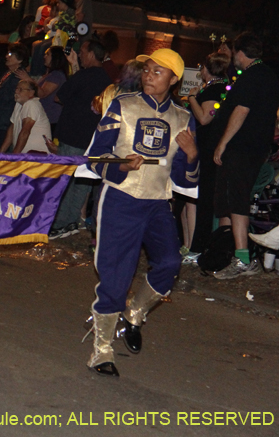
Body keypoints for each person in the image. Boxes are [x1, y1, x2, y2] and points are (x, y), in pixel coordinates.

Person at [83, 48, 198, 377]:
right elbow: (95, 156)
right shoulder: (122, 105)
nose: (149, 75)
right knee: (116, 277)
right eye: (147, 69)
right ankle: (102, 350)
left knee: (170, 263)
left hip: (158, 203)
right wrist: (120, 164)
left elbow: (184, 180)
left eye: (158, 72)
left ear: (173, 80)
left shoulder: (183, 118)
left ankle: (134, 313)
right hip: (121, 200)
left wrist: (192, 156)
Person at [212, 32, 279, 279]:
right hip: (254, 147)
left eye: (233, 54)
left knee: (237, 199)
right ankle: (224, 252)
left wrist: (222, 143)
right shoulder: (267, 75)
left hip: (242, 148)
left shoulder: (252, 76)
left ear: (240, 53)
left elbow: (241, 111)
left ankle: (242, 259)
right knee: (227, 199)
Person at [48, 39, 112, 238]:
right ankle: (71, 221)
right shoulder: (107, 80)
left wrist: (74, 69)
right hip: (92, 140)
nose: (80, 55)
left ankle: (59, 223)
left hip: (72, 136)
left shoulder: (84, 75)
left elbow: (60, 96)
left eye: (82, 52)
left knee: (66, 181)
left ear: (91, 54)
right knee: (82, 183)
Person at [180, 53, 228, 262]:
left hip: (206, 150)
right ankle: (187, 244)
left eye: (202, 67)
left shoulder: (216, 89)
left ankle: (197, 246)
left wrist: (191, 98)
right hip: (199, 147)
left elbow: (204, 118)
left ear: (207, 69)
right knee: (188, 199)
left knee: (200, 199)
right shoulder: (212, 88)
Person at [0, 79, 51, 154]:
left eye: (20, 90)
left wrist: (15, 155)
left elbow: (25, 132)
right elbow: (12, 128)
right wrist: (1, 151)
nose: (16, 92)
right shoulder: (19, 105)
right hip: (26, 155)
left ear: (31, 93)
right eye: (16, 89)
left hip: (36, 156)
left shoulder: (32, 104)